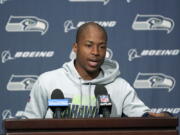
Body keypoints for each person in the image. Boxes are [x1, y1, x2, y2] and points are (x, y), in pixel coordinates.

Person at [22, 22, 171, 118]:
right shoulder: (48, 81)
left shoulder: (120, 87)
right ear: (75, 47)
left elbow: (145, 118)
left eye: (102, 46)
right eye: (89, 45)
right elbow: (27, 124)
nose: (96, 52)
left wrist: (161, 117)